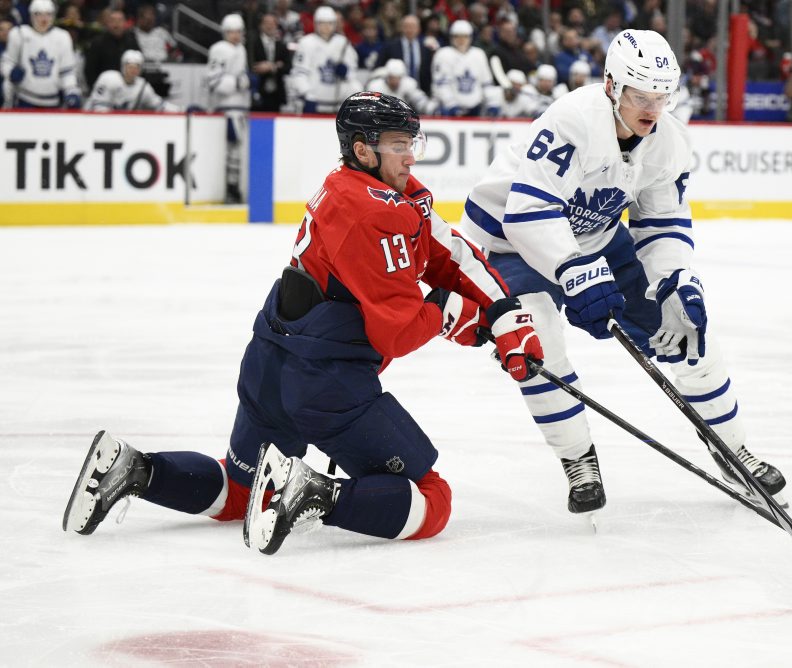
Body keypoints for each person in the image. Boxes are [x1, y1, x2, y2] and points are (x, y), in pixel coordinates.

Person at [63, 92, 545, 556]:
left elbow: (450, 254)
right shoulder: (373, 213)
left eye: (411, 143)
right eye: (399, 145)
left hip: (269, 364)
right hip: (325, 385)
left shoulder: (361, 189)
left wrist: (503, 313)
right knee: (433, 501)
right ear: (363, 149)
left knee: (238, 490)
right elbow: (395, 332)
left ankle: (134, 469)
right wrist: (452, 314)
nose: (410, 157)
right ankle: (311, 493)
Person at [459, 30, 788, 516]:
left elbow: (662, 220)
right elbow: (528, 212)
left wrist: (674, 277)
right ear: (612, 86)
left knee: (685, 327)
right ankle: (577, 458)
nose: (652, 109)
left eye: (662, 96)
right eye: (640, 96)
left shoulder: (670, 140)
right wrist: (573, 269)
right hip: (507, 243)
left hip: (594, 238)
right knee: (539, 342)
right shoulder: (573, 119)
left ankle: (732, 448)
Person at [1, 0, 80, 109]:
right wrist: (11, 72)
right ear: (31, 15)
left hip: (52, 101)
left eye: (48, 14)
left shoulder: (62, 37)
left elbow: (67, 72)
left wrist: (71, 91)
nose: (44, 19)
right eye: (38, 14)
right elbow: (7, 62)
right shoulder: (19, 34)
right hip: (24, 98)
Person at [206, 13, 251, 203]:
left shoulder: (242, 50)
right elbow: (213, 80)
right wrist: (238, 82)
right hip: (225, 110)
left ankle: (234, 187)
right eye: (231, 31)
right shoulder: (218, 49)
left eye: (238, 31)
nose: (235, 35)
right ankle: (227, 188)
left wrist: (247, 81)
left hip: (241, 109)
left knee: (237, 152)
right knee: (227, 151)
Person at [291, 6, 363, 114]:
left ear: (334, 24)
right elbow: (299, 74)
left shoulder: (343, 43)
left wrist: (346, 72)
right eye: (322, 23)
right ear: (315, 24)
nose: (326, 27)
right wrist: (307, 94)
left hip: (337, 104)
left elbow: (353, 72)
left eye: (329, 23)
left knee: (356, 86)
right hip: (313, 101)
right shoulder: (306, 42)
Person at [430, 19, 491, 117]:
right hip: (449, 110)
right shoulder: (443, 54)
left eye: (465, 36)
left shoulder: (479, 54)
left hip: (476, 109)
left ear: (471, 37)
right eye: (457, 36)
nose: (461, 40)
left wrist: (492, 103)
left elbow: (486, 83)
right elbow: (441, 85)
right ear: (452, 37)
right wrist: (451, 105)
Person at [85, 49, 177, 111]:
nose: (133, 70)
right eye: (129, 66)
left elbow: (160, 106)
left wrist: (181, 110)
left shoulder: (143, 86)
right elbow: (98, 108)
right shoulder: (108, 78)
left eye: (137, 67)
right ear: (123, 66)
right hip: (92, 122)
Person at [84, 9, 139, 91]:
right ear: (107, 23)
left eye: (120, 21)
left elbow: (139, 65)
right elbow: (90, 70)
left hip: (128, 89)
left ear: (125, 23)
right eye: (113, 21)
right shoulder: (97, 43)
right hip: (104, 89)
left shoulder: (132, 41)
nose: (116, 24)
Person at [379, 14, 432, 94]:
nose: (410, 29)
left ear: (419, 29)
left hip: (420, 93)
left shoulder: (425, 50)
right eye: (407, 26)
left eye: (413, 26)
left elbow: (428, 74)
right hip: (397, 94)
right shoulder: (390, 47)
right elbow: (379, 69)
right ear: (402, 28)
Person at [248, 13, 290, 113]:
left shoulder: (282, 45)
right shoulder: (252, 44)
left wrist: (272, 67)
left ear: (276, 26)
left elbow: (288, 67)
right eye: (266, 23)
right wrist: (277, 65)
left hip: (276, 95)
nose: (269, 26)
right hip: (257, 93)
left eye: (272, 23)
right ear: (260, 25)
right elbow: (251, 65)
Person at [366, 58, 436, 114]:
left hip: (403, 120)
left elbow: (421, 102)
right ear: (387, 76)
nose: (395, 81)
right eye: (392, 78)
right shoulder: (375, 87)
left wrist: (433, 109)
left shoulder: (408, 84)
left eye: (398, 78)